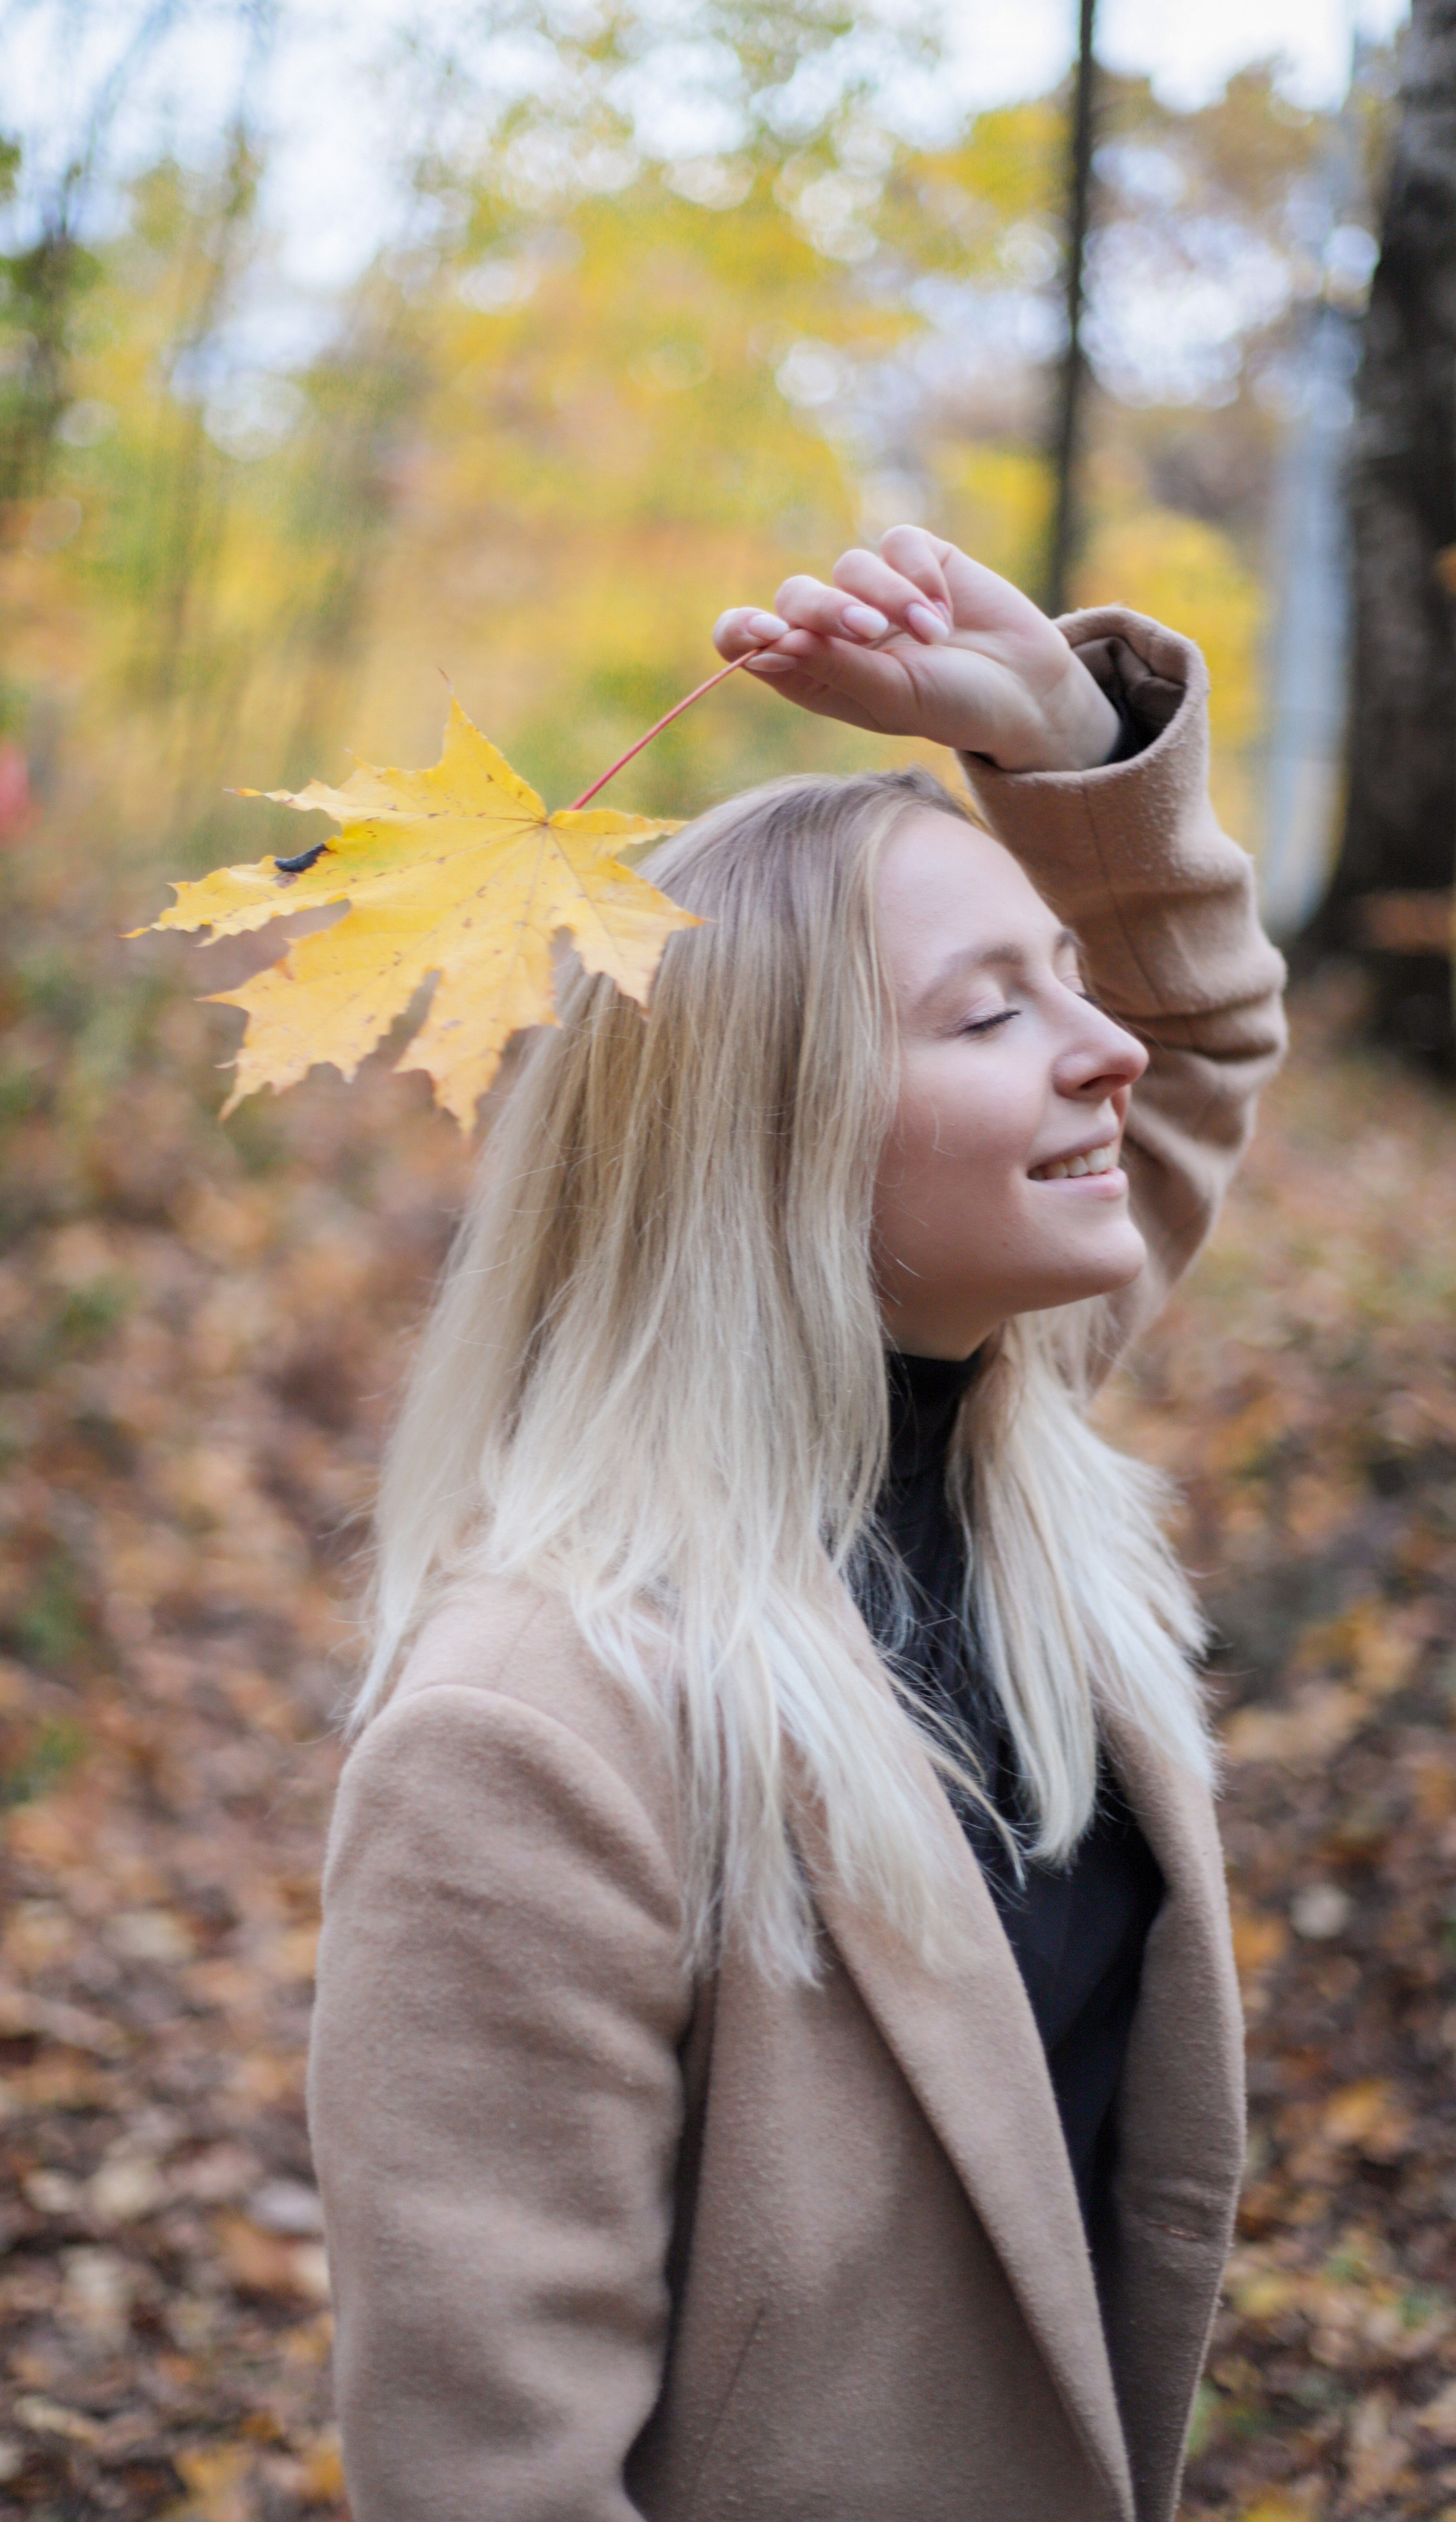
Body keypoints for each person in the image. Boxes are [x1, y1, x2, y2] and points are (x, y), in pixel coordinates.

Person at [307, 528, 1288, 2522]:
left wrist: (1061, 739)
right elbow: (492, 2481)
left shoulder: (997, 1423)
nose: (1101, 1047)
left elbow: (1189, 1041)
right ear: (777, 1138)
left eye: (1066, 981)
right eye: (990, 1015)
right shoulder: (535, 1735)